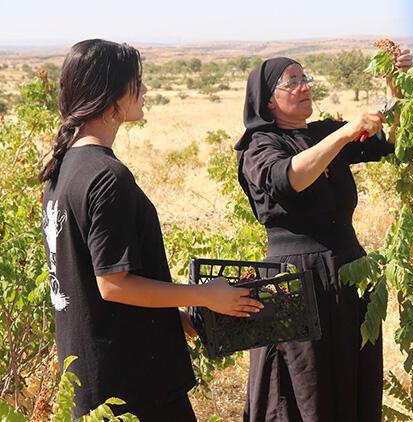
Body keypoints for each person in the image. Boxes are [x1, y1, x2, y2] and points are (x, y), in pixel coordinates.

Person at [39, 39, 263, 420]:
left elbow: (93, 282)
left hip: (96, 380)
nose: (145, 91)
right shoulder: (106, 177)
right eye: (136, 82)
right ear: (111, 96)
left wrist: (175, 319)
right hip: (133, 386)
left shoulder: (63, 170)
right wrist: (206, 295)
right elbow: (113, 284)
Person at [234, 51, 411, 422]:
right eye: (292, 82)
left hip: (347, 270)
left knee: (351, 375)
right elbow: (289, 178)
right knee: (303, 383)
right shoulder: (259, 145)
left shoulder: (319, 133)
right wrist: (345, 133)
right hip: (295, 281)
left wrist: (395, 85)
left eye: (305, 79)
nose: (304, 88)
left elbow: (391, 143)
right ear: (268, 99)